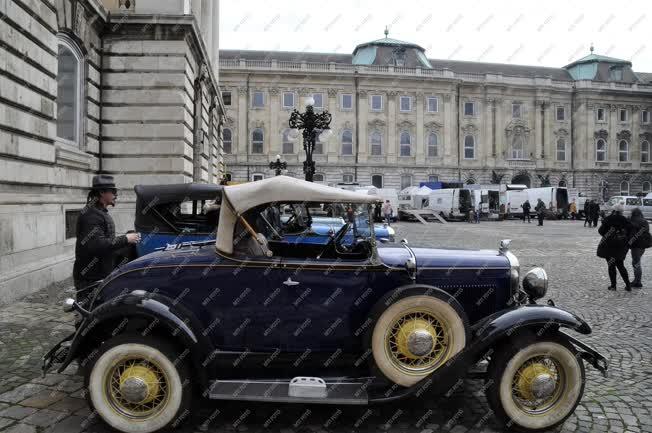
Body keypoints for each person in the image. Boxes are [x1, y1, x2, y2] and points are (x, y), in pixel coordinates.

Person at [73, 175, 140, 304]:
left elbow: (106, 242)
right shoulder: (90, 215)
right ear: (102, 193)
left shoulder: (99, 212)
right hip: (91, 277)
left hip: (100, 273)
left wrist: (128, 238)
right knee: (89, 314)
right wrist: (126, 239)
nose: (116, 195)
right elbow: (96, 244)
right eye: (113, 191)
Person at [597, 204, 632, 291]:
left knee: (611, 265)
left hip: (608, 246)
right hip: (620, 246)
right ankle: (628, 285)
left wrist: (608, 235)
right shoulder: (624, 220)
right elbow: (630, 230)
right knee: (621, 265)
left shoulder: (608, 219)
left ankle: (613, 286)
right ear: (621, 211)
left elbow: (601, 231)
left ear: (614, 210)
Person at [628, 208, 651, 288]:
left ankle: (637, 281)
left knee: (636, 263)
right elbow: (647, 231)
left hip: (635, 245)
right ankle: (637, 280)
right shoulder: (644, 221)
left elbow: (629, 232)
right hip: (643, 245)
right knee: (637, 262)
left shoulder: (632, 220)